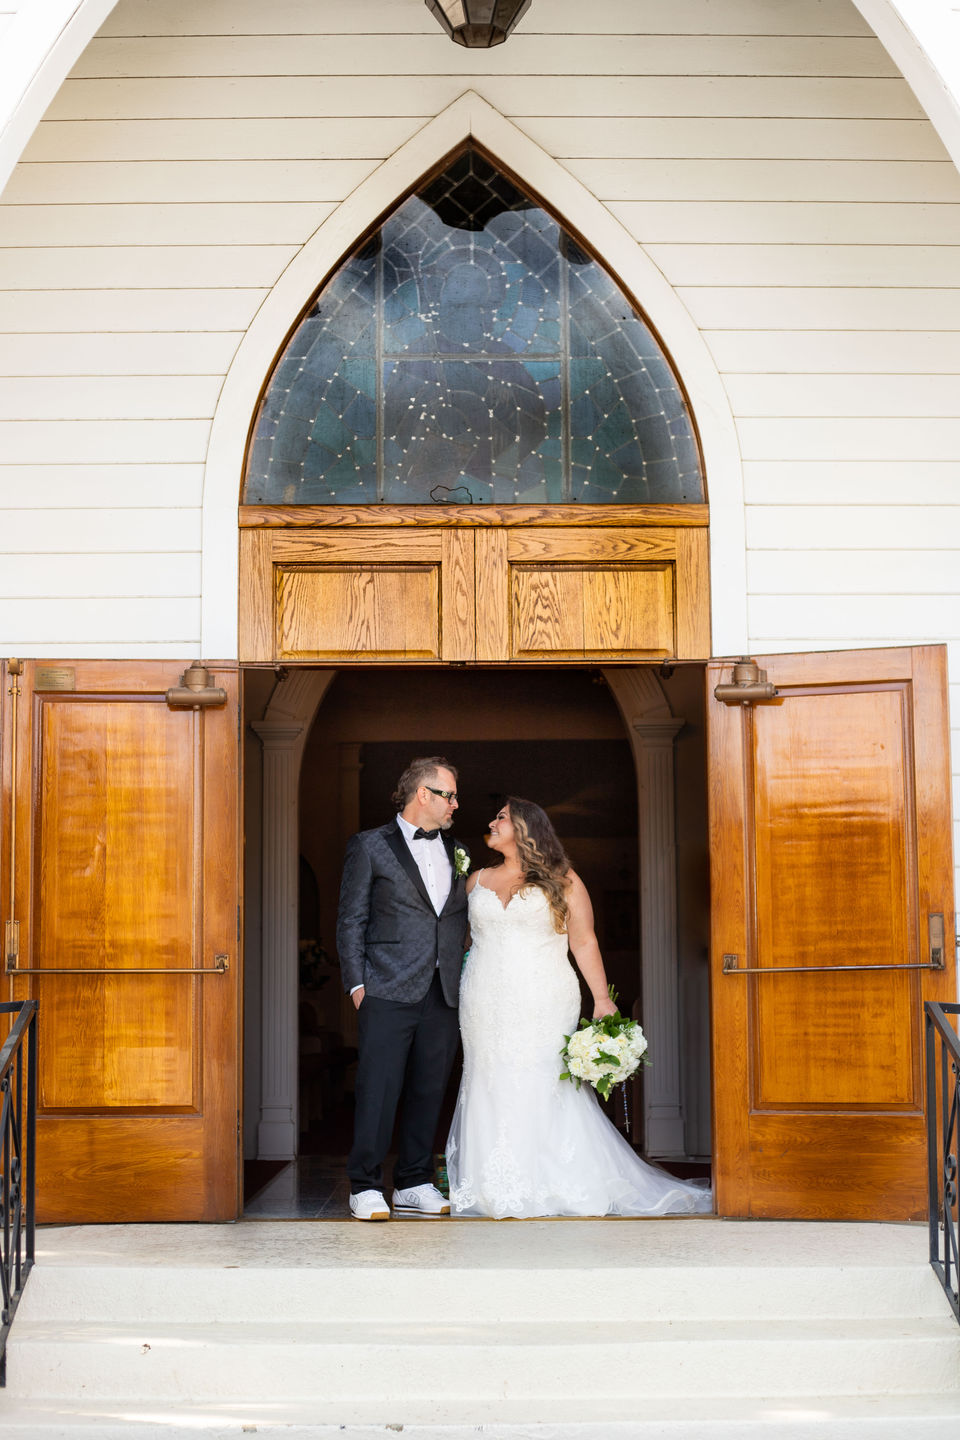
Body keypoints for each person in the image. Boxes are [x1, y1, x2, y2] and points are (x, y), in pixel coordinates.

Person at [445, 797, 711, 1219]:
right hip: (483, 997)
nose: (491, 822)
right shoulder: (475, 880)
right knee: (488, 1077)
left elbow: (583, 941)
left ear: (526, 829)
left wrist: (602, 999)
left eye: (501, 817)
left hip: (544, 995)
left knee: (543, 1078)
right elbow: (460, 940)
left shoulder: (562, 879)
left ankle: (557, 1180)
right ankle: (495, 1184)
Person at [336, 757, 469, 1221]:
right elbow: (351, 919)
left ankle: (413, 1182)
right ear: (423, 795)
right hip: (386, 987)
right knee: (379, 1087)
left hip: (442, 990)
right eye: (449, 794)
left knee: (429, 1088)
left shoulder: (458, 850)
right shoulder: (369, 846)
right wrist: (357, 985)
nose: (456, 803)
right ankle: (365, 1185)